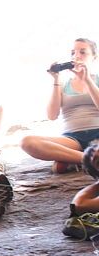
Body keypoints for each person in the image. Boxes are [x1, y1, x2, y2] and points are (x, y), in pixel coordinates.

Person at [20, 38, 99, 173]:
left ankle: (70, 158)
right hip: (72, 139)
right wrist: (56, 80)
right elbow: (52, 115)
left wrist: (87, 80)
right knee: (27, 142)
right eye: (73, 53)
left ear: (94, 57)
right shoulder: (63, 84)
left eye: (83, 52)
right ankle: (88, 159)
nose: (76, 56)